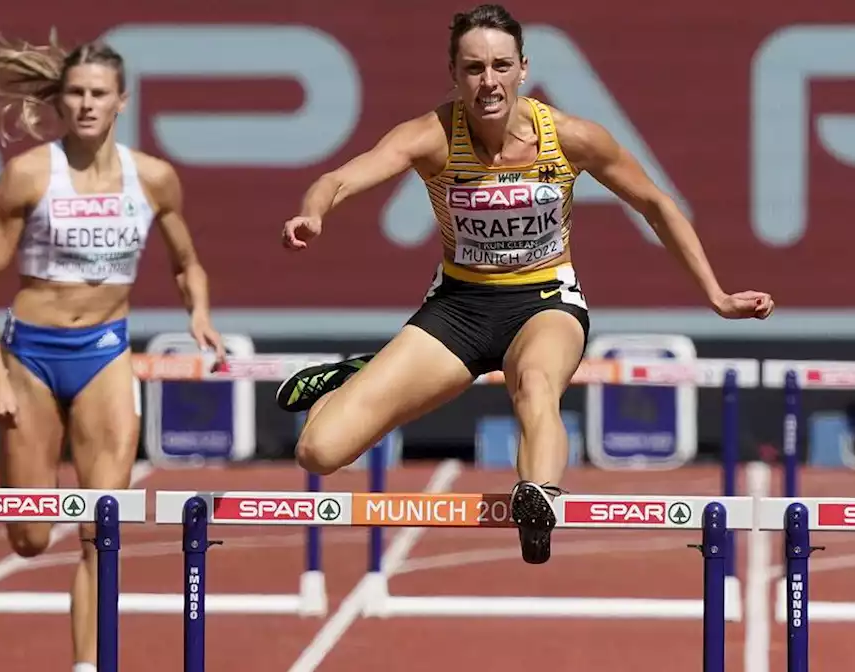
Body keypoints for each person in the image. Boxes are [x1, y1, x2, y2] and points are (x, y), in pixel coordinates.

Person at [275, 3, 774, 564]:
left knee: (536, 384)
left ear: (522, 69)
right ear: (454, 75)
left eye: (500, 65)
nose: (488, 81)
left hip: (545, 303)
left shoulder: (570, 137)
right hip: (459, 308)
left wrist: (716, 295)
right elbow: (339, 178)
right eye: (473, 68)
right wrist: (313, 214)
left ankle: (537, 497)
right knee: (318, 451)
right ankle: (360, 373)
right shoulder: (432, 136)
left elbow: (657, 204)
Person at [0, 33, 225, 672]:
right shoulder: (29, 174)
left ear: (120, 102)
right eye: (75, 92)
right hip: (31, 356)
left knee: (100, 530)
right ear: (61, 100)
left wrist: (198, 310)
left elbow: (186, 263)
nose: (85, 104)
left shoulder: (154, 178)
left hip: (106, 353)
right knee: (28, 537)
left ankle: (88, 665)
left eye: (98, 94)